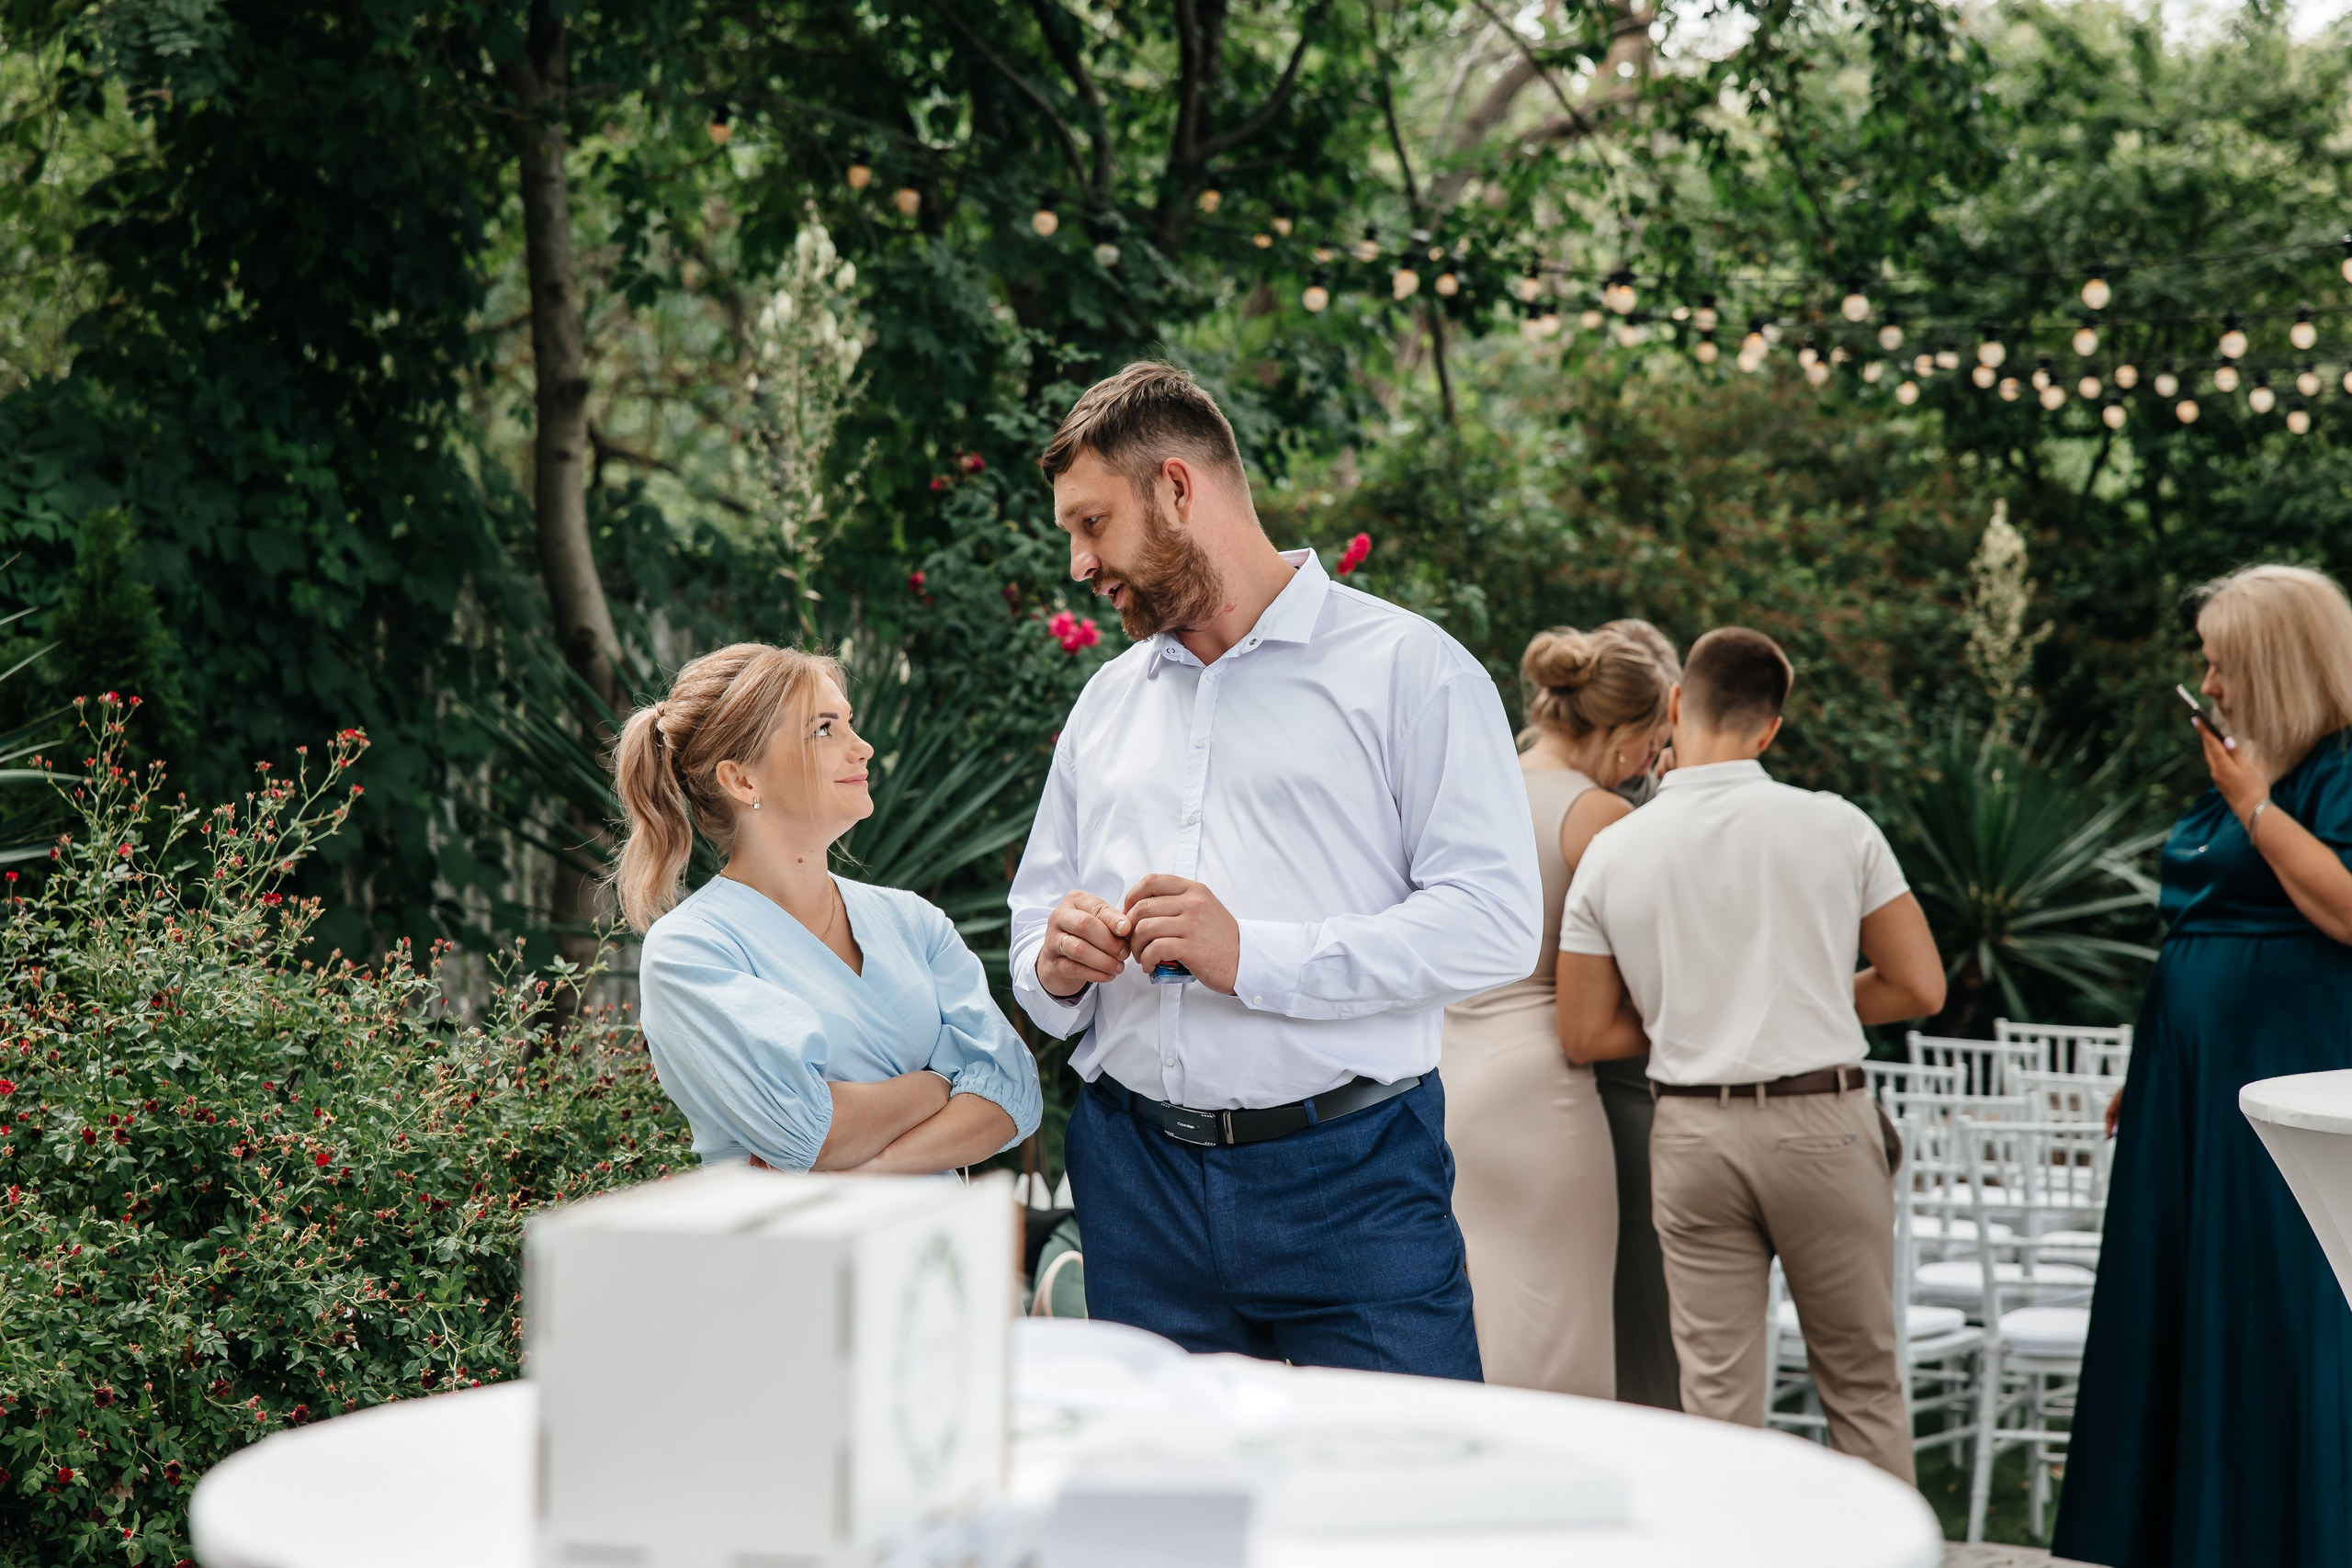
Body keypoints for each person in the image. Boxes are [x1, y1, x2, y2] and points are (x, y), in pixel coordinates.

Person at [1006, 361, 1543, 1379]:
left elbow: (1493, 922)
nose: (1079, 563)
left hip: (1352, 1180)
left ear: (1175, 489)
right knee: (1166, 1518)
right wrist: (1056, 960)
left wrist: (1253, 955)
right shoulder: (1106, 703)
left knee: (1402, 1509)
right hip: (1133, 1179)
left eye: (1090, 525)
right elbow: (1036, 916)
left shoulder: (1411, 672)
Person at [1555, 627, 1946, 1482]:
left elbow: (1583, 1032)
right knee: (1863, 1387)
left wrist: (1698, 1013)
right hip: (1822, 1124)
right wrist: (1800, 994)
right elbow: (1919, 986)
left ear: (1674, 706)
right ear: (1770, 730)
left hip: (1692, 1135)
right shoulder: (1836, 825)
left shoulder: (1618, 847)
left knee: (1718, 1410)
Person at [2054, 564, 2352, 1568]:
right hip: (2190, 1083)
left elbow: (2347, 911)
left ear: (2274, 665)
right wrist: (2152, 1069)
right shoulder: (2245, 767)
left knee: (2271, 1298)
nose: (2208, 687)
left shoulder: (2333, 769)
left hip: (2281, 1069)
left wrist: (2258, 808)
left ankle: (2278, 1534)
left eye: (2221, 666)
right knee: (2184, 1299)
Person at [614, 643, 1042, 1173]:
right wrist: (940, 1084)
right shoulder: (691, 950)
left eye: (850, 723)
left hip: (931, 1249)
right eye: (824, 730)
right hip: (796, 1252)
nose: (861, 747)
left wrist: (870, 1171)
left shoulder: (913, 922)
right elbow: (810, 1134)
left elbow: (1012, 1094)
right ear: (743, 780)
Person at [1440, 626, 1668, 1397]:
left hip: (1451, 1075)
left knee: (1478, 1317)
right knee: (1558, 1327)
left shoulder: (1477, 785)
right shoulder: (1600, 814)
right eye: (1650, 742)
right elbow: (1653, 977)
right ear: (1622, 734)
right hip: (1542, 1091)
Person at [1593, 615, 1686, 1411]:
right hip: (1628, 1096)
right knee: (1654, 1336)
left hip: (1503, 1090)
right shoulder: (1625, 825)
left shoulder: (1504, 785)